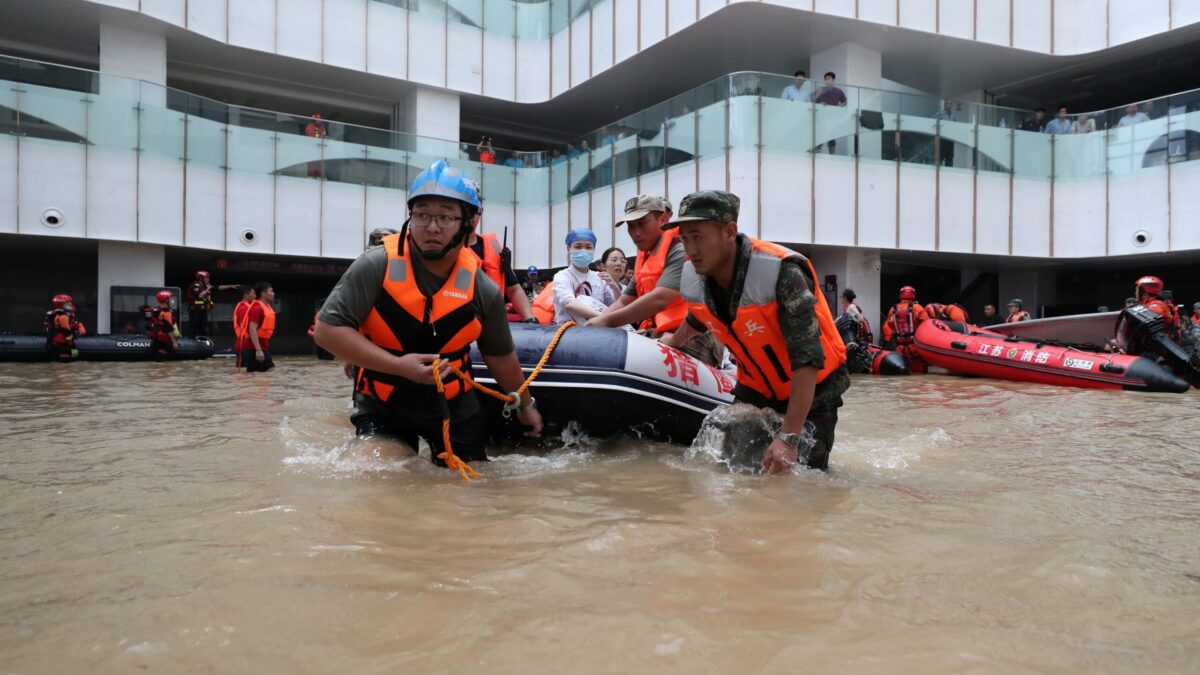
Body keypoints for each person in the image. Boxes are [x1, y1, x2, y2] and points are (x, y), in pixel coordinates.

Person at [313, 160, 543, 469]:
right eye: (421, 215)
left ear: (469, 224)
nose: (432, 227)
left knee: (471, 489)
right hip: (384, 401)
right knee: (375, 470)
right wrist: (398, 366)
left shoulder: (482, 289)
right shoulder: (374, 266)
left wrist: (525, 405)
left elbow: (500, 356)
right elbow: (328, 330)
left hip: (454, 405)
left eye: (446, 217)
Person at [661, 191, 849, 472]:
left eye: (698, 236)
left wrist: (788, 437)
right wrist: (671, 343)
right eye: (684, 238)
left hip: (814, 391)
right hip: (755, 390)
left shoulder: (782, 273)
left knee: (801, 482)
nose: (690, 249)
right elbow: (698, 319)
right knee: (731, 471)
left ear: (729, 231)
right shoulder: (695, 276)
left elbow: (808, 359)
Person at [461, 179, 535, 322]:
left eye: (475, 210)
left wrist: (530, 319)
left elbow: (514, 289)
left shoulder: (493, 247)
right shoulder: (444, 248)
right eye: (465, 210)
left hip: (494, 324)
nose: (471, 217)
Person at [552, 228, 619, 324]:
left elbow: (615, 306)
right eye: (578, 247)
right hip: (569, 333)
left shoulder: (600, 277)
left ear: (594, 249)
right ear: (569, 249)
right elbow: (570, 304)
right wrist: (603, 317)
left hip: (599, 334)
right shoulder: (562, 276)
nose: (583, 251)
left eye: (588, 247)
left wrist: (615, 288)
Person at [882, 286, 929, 372]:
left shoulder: (893, 309)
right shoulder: (917, 308)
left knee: (903, 371)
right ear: (913, 295)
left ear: (901, 295)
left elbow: (889, 325)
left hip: (900, 347)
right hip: (915, 347)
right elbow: (927, 325)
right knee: (919, 372)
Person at [239, 282, 277, 373]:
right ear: (263, 293)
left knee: (262, 375)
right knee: (266, 372)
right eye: (271, 291)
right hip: (253, 348)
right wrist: (258, 350)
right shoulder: (257, 308)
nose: (273, 293)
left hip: (262, 346)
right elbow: (252, 329)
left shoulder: (267, 307)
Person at [44, 294, 86, 362]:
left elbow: (76, 322)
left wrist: (81, 330)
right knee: (64, 367)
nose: (70, 304)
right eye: (68, 302)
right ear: (61, 304)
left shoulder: (66, 314)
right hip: (61, 345)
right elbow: (67, 333)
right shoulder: (63, 316)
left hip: (58, 343)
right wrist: (73, 347)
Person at [813, 72, 847, 153]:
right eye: (826, 79)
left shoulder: (839, 91)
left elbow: (845, 102)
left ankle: (832, 155)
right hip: (822, 117)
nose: (827, 80)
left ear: (833, 80)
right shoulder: (820, 90)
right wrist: (820, 104)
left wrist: (841, 105)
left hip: (833, 118)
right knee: (820, 135)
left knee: (832, 137)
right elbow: (814, 102)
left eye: (829, 78)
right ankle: (817, 153)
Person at [148, 289, 180, 359]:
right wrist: (174, 342)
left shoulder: (157, 310)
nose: (169, 300)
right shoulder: (166, 313)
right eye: (168, 298)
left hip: (156, 340)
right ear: (165, 300)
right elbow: (169, 328)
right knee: (165, 365)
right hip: (164, 342)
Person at [232, 284, 256, 368]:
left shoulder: (246, 307)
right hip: (245, 346)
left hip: (245, 346)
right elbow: (246, 327)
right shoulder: (243, 308)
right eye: (253, 294)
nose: (255, 296)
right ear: (246, 295)